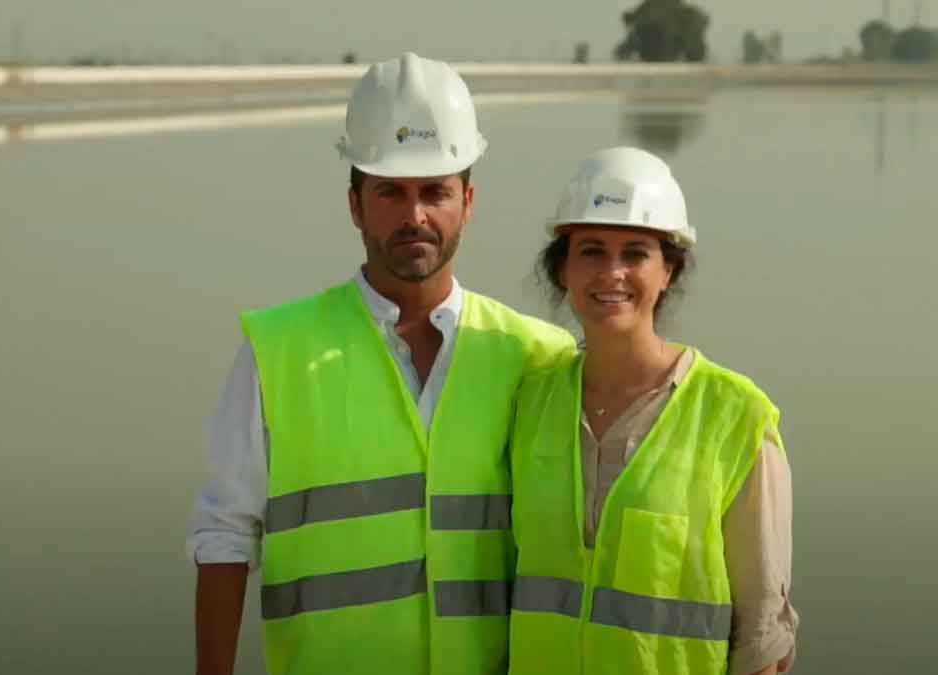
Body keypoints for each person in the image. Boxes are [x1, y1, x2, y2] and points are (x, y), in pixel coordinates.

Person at [188, 52, 574, 675]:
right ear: (355, 204)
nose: (414, 215)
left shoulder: (537, 357)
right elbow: (224, 537)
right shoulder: (277, 351)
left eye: (435, 192)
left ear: (468, 201)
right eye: (391, 192)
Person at [508, 146, 798, 675]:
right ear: (563, 271)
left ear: (668, 271)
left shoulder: (736, 417)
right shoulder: (530, 402)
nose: (612, 273)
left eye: (636, 253)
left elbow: (762, 639)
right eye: (591, 251)